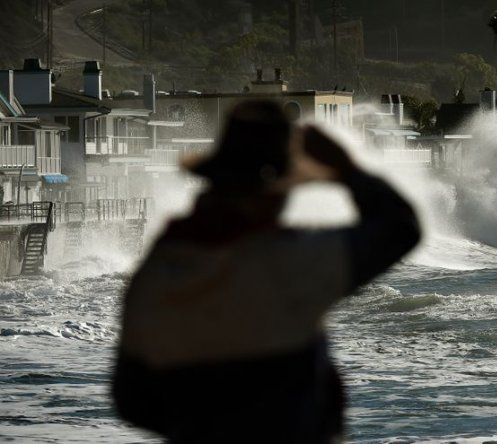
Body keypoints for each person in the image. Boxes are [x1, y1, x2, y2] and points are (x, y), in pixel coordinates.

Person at [112, 101, 421, 443]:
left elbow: (131, 401)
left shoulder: (158, 268)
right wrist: (346, 170)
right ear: (273, 192)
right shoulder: (287, 262)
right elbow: (400, 229)